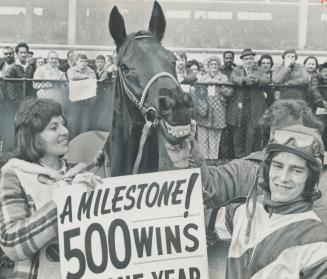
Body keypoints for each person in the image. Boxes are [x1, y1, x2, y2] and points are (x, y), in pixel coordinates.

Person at [199, 125, 327, 278]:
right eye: (278, 166)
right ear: (267, 169)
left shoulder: (318, 243)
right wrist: (183, 150)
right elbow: (189, 220)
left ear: (310, 178)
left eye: (297, 170)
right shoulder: (243, 212)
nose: (283, 178)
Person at [0, 98, 102, 279]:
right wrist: (65, 202)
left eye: (63, 124)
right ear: (32, 136)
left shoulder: (78, 172)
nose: (65, 131)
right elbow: (12, 244)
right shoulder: (15, 176)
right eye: (53, 127)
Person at [229, 48, 271, 157]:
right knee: (238, 133)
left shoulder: (260, 70)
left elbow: (267, 80)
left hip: (255, 107)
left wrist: (257, 80)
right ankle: (239, 158)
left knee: (253, 133)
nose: (248, 61)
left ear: (254, 60)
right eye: (246, 59)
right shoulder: (237, 69)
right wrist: (244, 80)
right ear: (242, 60)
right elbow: (233, 78)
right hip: (240, 107)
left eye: (251, 58)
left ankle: (251, 158)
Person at [195, 56, 233, 164]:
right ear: (208, 66)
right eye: (211, 64)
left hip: (218, 113)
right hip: (204, 111)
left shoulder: (224, 78)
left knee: (214, 141)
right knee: (202, 140)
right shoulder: (203, 77)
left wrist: (219, 85)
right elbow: (197, 93)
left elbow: (229, 93)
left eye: (216, 64)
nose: (214, 66)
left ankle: (213, 163)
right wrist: (204, 84)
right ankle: (203, 163)